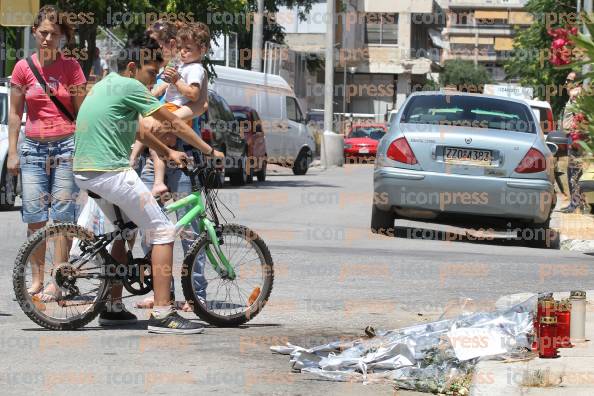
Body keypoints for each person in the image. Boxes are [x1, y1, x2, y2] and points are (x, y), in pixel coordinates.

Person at [73, 37, 224, 334]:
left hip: (85, 170)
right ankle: (164, 313)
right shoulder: (131, 86)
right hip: (110, 171)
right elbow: (175, 123)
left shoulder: (106, 84)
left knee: (125, 231)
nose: (153, 79)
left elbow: (140, 129)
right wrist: (209, 151)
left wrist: (168, 153)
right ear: (133, 67)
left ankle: (113, 307)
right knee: (163, 230)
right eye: (151, 72)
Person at [8, 5, 87, 301]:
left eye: (54, 34)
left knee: (63, 216)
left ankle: (60, 279)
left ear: (61, 37)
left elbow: (83, 113)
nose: (47, 39)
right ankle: (37, 280)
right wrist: (13, 152)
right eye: (43, 33)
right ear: (34, 33)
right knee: (36, 217)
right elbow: (15, 115)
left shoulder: (71, 67)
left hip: (66, 146)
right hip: (32, 148)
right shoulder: (22, 68)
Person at [133, 20, 209, 311]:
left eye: (170, 44)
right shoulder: (162, 76)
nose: (176, 51)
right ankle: (162, 291)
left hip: (184, 156)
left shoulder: (194, 73)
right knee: (151, 231)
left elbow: (194, 101)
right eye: (178, 47)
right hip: (157, 158)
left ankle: (196, 294)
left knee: (190, 231)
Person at [131, 22, 209, 198]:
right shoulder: (154, 71)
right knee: (148, 212)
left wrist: (170, 121)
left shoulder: (189, 70)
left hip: (182, 147)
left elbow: (201, 105)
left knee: (187, 209)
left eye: (154, 44)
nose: (149, 49)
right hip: (151, 148)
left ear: (170, 44)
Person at [559, 71, 588, 213]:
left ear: (577, 83)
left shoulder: (576, 95)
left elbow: (580, 119)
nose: (566, 83)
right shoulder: (573, 96)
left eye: (569, 80)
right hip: (572, 137)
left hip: (575, 137)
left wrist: (576, 139)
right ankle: (576, 202)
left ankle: (575, 204)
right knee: (572, 172)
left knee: (574, 173)